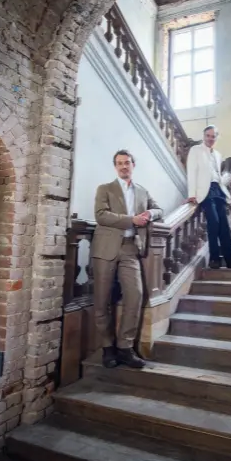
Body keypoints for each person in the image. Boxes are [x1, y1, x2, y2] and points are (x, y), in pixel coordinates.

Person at [91, 149, 163, 369]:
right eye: (119, 163)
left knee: (136, 295)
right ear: (115, 167)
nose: (123, 166)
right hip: (106, 248)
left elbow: (158, 208)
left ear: (133, 165)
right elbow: (100, 215)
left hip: (131, 249)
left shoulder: (142, 191)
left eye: (127, 162)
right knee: (102, 300)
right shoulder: (105, 189)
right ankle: (107, 348)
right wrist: (131, 220)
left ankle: (125, 348)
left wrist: (150, 214)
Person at [186, 125, 231, 270]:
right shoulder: (195, 150)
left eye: (213, 136)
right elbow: (192, 172)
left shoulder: (218, 155)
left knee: (224, 227)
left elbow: (218, 175)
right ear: (204, 136)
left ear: (216, 138)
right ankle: (215, 259)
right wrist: (192, 194)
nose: (210, 139)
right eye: (208, 135)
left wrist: (224, 191)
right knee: (214, 224)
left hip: (218, 190)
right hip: (205, 192)